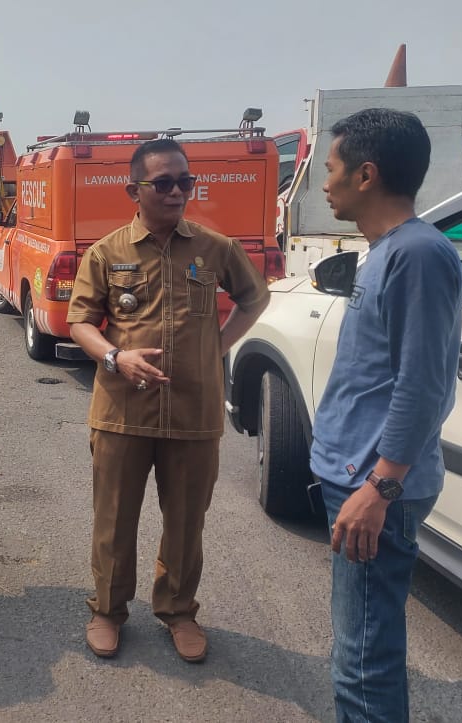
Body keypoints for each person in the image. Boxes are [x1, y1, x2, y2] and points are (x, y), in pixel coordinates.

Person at [66, 138, 270, 662]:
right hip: (121, 411)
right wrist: (116, 359)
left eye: (185, 181)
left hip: (193, 412)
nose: (177, 191)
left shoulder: (215, 248)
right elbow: (79, 321)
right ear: (134, 189)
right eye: (164, 183)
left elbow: (254, 298)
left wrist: (217, 347)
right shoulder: (106, 252)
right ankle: (108, 610)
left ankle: (179, 612)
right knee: (113, 519)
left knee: (186, 521)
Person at [312, 108, 461, 722]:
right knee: (361, 653)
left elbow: (423, 385)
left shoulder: (419, 254)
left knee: (364, 665)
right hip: (358, 475)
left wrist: (378, 485)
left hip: (374, 486)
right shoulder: (386, 250)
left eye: (332, 169)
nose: (324, 183)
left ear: (366, 174)